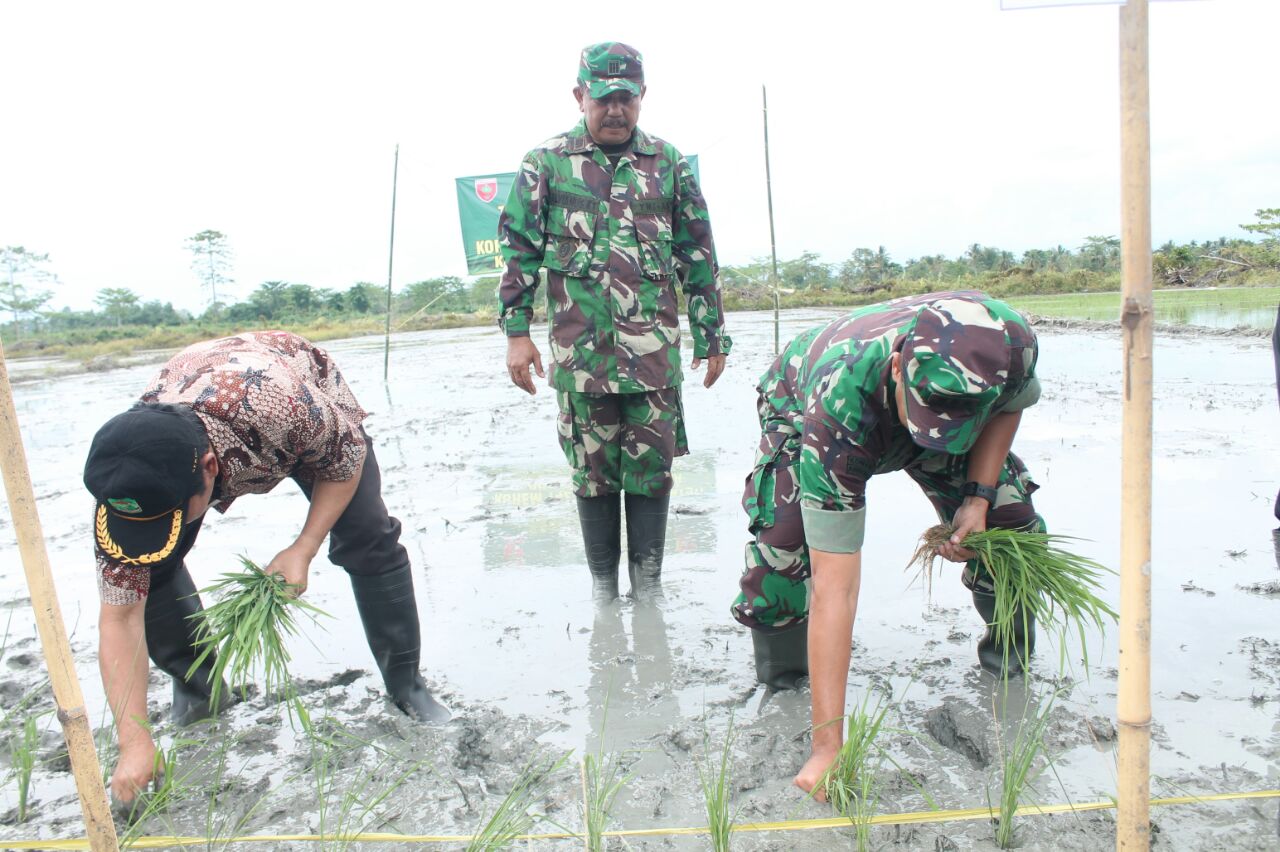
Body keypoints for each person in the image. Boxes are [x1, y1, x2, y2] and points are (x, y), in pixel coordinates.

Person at [83, 331, 450, 805]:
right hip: (193, 402)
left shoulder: (282, 408)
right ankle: (200, 691)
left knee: (368, 537)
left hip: (290, 397)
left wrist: (304, 547)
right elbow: (120, 616)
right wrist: (134, 742)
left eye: (170, 517)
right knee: (151, 565)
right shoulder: (126, 475)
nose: (156, 529)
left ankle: (407, 686)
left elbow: (344, 461)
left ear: (212, 471)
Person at [727, 291, 1046, 797]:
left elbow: (1007, 407)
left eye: (955, 422)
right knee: (784, 551)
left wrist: (979, 499)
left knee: (1013, 529)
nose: (938, 437)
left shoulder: (1010, 343)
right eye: (932, 419)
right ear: (899, 367)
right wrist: (828, 747)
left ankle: (1010, 664)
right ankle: (784, 681)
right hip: (807, 401)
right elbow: (837, 588)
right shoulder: (837, 406)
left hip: (941, 411)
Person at [497, 42, 731, 605]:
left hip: (654, 359)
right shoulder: (546, 163)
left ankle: (647, 590)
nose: (615, 110)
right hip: (582, 362)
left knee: (652, 475)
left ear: (642, 97)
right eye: (603, 98)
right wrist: (516, 333)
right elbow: (519, 251)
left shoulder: (669, 163)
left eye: (626, 98)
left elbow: (697, 253)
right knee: (593, 477)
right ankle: (604, 591)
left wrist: (712, 334)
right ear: (580, 96)